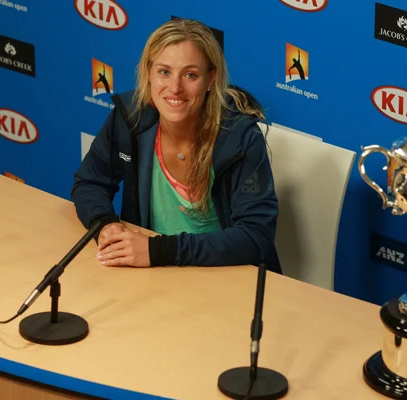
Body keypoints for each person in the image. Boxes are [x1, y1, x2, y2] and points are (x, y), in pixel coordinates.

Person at [71, 18, 282, 274]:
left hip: (227, 279)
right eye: (164, 72)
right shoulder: (130, 118)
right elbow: (90, 183)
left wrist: (159, 250)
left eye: (190, 75)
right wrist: (105, 225)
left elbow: (255, 236)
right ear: (148, 72)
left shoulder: (240, 137)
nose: (175, 88)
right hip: (154, 273)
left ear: (210, 79)